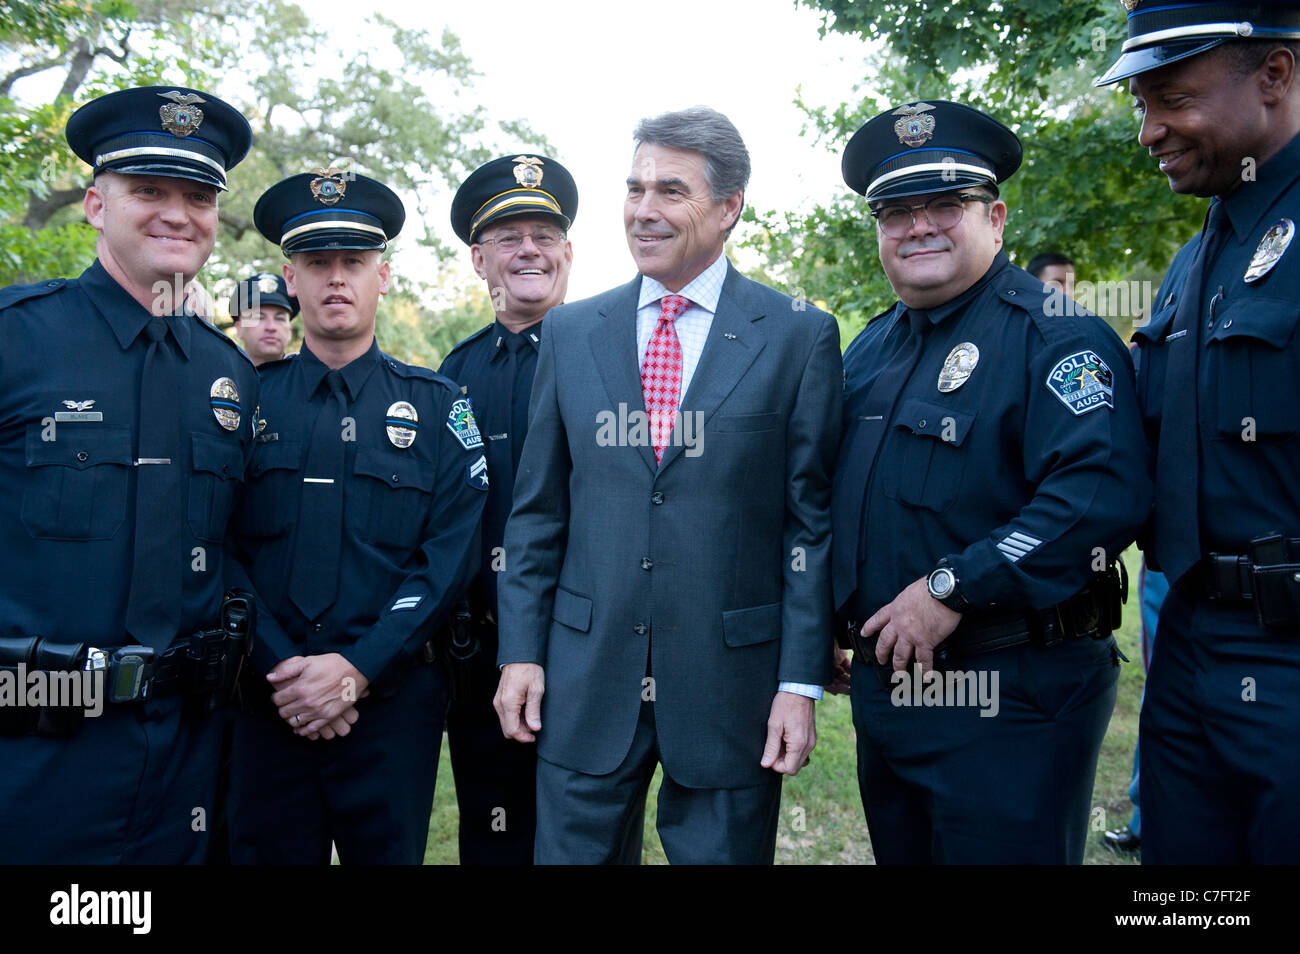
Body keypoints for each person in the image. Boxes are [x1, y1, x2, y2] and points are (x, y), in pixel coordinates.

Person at [493, 107, 841, 865]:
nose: (643, 210)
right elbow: (537, 513)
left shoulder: (798, 336)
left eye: (671, 191)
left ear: (729, 208)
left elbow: (805, 526)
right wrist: (520, 652)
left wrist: (798, 685)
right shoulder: (570, 331)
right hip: (585, 682)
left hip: (731, 690)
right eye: (634, 187)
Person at [832, 100, 1151, 864]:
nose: (918, 226)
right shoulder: (870, 350)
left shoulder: (1056, 334)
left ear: (997, 217)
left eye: (945, 204)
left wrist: (951, 587)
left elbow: (1095, 496)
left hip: (1014, 696)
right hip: (895, 696)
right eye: (895, 211)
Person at [0, 85, 257, 863]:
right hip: (33, 756)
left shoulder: (230, 375)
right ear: (93, 205)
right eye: (149, 189)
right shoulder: (17, 339)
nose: (177, 213)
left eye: (198, 195)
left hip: (185, 763)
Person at [224, 170, 487, 864]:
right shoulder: (241, 403)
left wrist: (357, 668)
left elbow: (451, 557)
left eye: (353, 263)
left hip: (392, 705)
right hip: (266, 700)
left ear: (383, 277)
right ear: (290, 279)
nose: (335, 279)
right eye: (317, 263)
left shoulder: (438, 406)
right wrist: (287, 670)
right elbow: (212, 542)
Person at [1097, 0, 1300, 864]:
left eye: (1171, 98)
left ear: (1275, 74)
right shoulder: (1199, 255)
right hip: (1188, 644)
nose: (1150, 131)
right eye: (1141, 106)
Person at [438, 153, 578, 864]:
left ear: (568, 252)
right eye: (509, 237)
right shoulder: (450, 378)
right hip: (481, 653)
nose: (529, 249)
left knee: (585, 831)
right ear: (478, 258)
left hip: (591, 647)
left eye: (544, 234)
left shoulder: (620, 358)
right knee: (492, 832)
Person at [230, 272, 297, 365]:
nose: (271, 327)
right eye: (259, 318)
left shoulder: (310, 377)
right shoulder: (221, 376)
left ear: (290, 330)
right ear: (239, 328)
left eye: (280, 319)